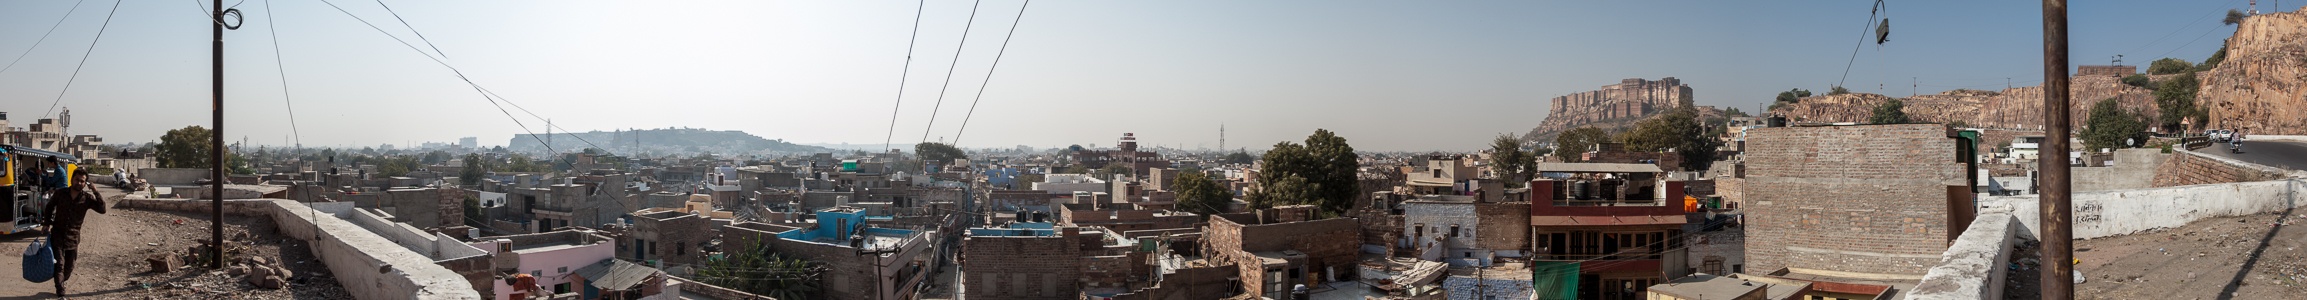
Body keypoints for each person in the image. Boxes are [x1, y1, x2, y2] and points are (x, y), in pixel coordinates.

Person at [42, 168, 106, 298]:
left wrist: (95, 191)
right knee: (59, 263)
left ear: (85, 183)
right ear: (72, 179)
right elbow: (49, 207)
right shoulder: (60, 193)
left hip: (73, 238)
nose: (79, 183)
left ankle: (61, 281)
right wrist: (46, 223)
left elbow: (102, 209)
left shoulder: (87, 198)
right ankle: (60, 291)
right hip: (58, 235)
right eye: (77, 180)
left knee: (69, 267)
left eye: (82, 181)